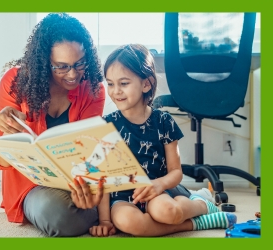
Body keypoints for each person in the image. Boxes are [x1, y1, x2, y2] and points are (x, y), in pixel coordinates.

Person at [89, 44, 237, 237]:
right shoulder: (106, 126)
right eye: (110, 83)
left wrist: (158, 185)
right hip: (122, 198)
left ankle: (200, 204)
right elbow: (103, 178)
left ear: (146, 84)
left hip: (156, 192)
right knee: (129, 223)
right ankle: (198, 224)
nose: (115, 91)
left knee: (169, 212)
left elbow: (176, 172)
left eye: (123, 83)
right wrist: (105, 220)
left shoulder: (164, 121)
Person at [0, 13, 107, 237]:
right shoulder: (14, 83)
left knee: (122, 192)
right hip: (32, 186)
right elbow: (1, 160)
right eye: (61, 67)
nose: (73, 74)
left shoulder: (93, 88)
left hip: (76, 178)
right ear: (45, 62)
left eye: (80, 64)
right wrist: (6, 131)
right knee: (58, 215)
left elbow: (87, 151)